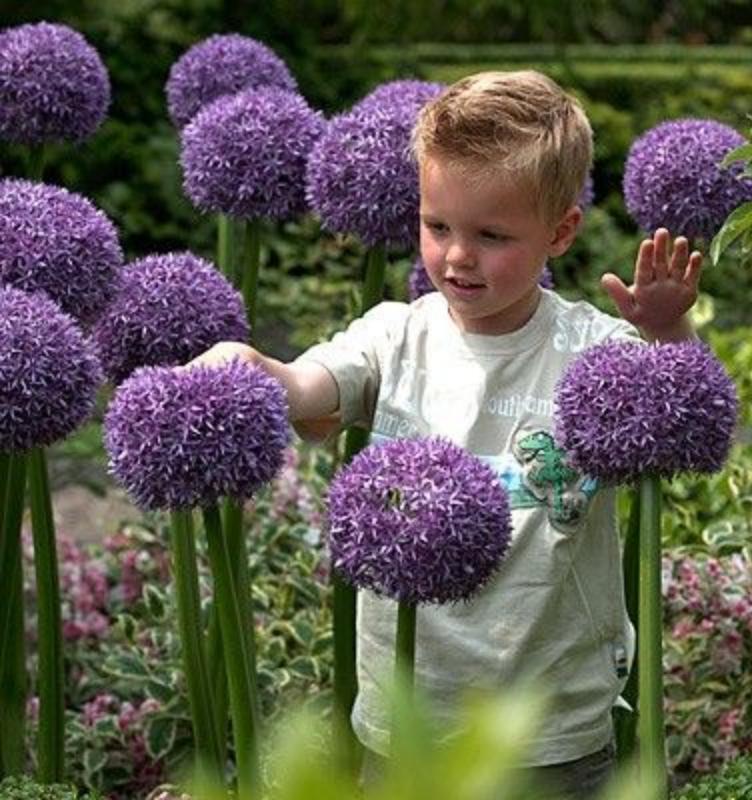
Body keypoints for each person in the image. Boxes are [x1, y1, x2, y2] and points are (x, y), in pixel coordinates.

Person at [190, 70, 702, 798]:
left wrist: (669, 333)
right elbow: (314, 388)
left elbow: (686, 418)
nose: (457, 256)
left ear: (560, 231)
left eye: (491, 236)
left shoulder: (595, 351)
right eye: (438, 227)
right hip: (406, 721)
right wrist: (256, 368)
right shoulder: (395, 337)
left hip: (548, 729)